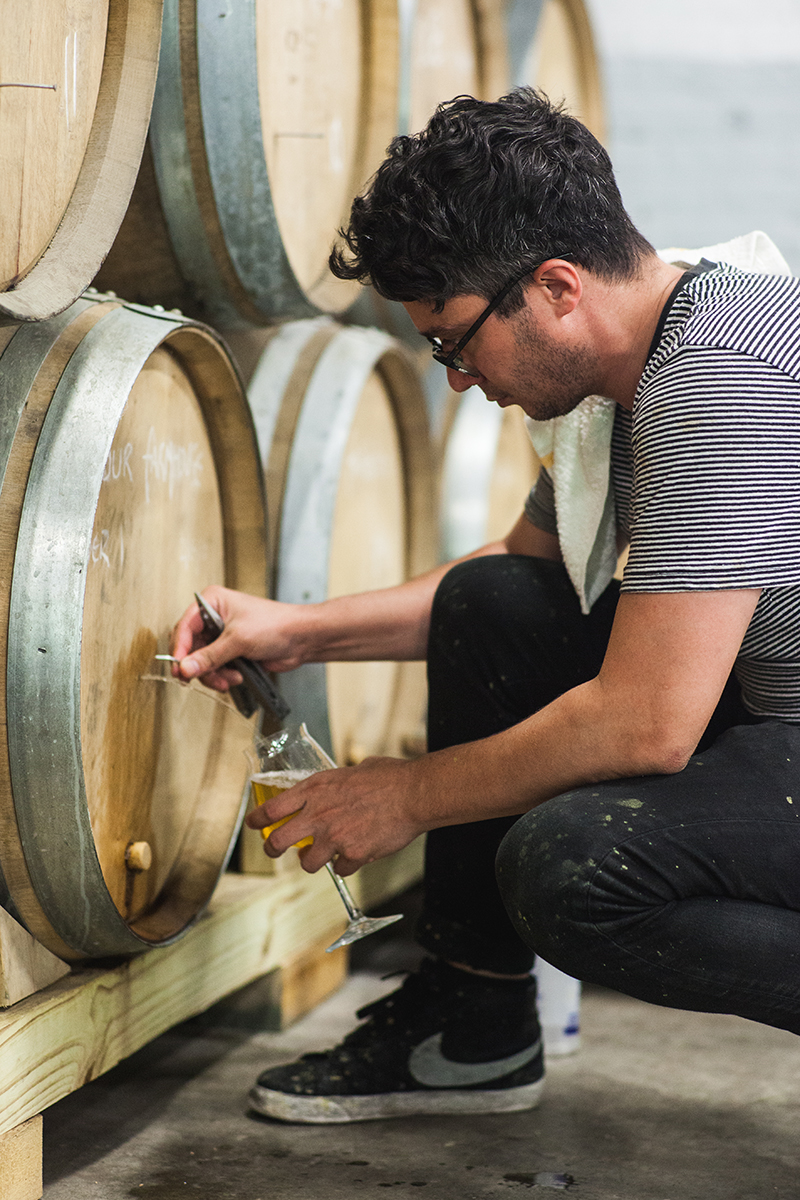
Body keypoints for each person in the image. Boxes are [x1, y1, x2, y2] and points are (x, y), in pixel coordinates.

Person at [172, 88, 800, 1126]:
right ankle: (472, 1032)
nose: (455, 380)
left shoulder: (717, 376)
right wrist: (296, 628)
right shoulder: (633, 370)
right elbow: (522, 572)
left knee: (574, 867)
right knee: (494, 603)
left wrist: (403, 795)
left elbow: (646, 722)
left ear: (554, 287)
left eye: (453, 342)